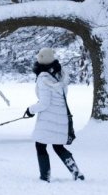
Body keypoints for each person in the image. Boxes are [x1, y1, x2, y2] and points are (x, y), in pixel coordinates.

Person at [24, 48, 84, 182]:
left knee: (40, 145)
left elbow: (44, 103)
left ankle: (45, 176)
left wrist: (30, 110)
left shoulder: (43, 78)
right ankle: (76, 172)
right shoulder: (59, 74)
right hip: (60, 115)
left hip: (48, 118)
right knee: (58, 146)